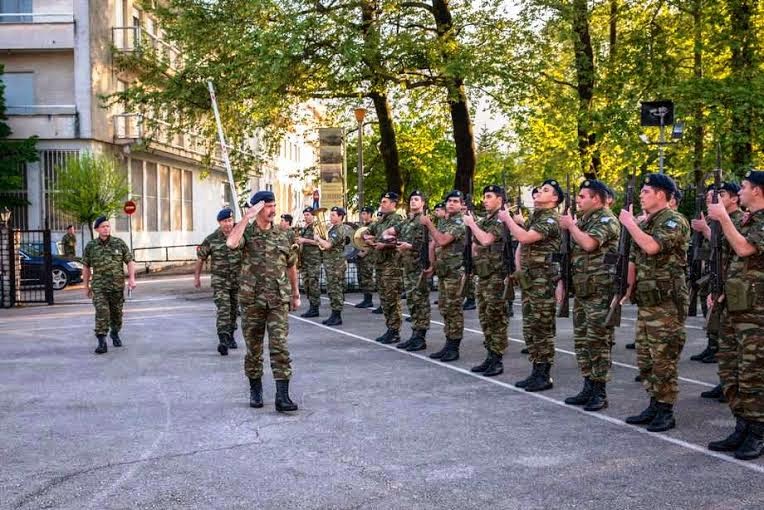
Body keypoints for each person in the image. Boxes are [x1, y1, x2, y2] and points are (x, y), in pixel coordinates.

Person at [619, 173, 689, 432]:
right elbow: (635, 260)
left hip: (667, 303)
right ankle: (654, 402)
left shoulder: (674, 220)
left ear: (661, 194)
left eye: (646, 191)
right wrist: (625, 289)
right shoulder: (648, 222)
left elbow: (651, 247)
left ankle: (665, 410)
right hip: (648, 302)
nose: (641, 195)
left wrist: (630, 224)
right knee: (646, 359)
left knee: (663, 359)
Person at [705, 170, 764, 460]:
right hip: (736, 305)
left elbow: (743, 249)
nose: (739, 191)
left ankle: (758, 431)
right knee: (731, 370)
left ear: (758, 191)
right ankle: (742, 424)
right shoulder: (747, 219)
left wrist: (723, 218)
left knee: (753, 373)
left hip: (756, 312)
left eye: (743, 187)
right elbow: (731, 261)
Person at [226, 191, 300, 412]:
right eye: (268, 206)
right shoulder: (246, 233)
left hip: (278, 299)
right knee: (254, 349)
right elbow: (230, 243)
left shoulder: (283, 235)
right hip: (252, 300)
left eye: (274, 205)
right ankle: (256, 390)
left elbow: (291, 265)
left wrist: (295, 293)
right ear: (258, 208)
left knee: (280, 346)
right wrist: (247, 217)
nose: (272, 210)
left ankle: (282, 396)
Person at [560, 179, 620, 410]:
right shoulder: (584, 220)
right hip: (583, 290)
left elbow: (588, 245)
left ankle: (600, 391)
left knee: (598, 342)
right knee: (582, 341)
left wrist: (572, 227)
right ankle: (588, 385)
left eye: (583, 196)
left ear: (597, 198)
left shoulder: (606, 220)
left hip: (600, 292)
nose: (578, 200)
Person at [500, 179, 562, 392]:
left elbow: (525, 238)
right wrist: (518, 268)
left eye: (546, 191)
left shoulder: (551, 218)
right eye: (538, 190)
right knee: (530, 327)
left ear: (555, 199)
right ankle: (536, 370)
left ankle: (544, 374)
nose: (538, 193)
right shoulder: (537, 217)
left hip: (542, 281)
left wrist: (508, 220)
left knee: (541, 327)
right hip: (531, 279)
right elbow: (522, 247)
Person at [691, 182, 743, 400]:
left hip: (738, 288)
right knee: (725, 341)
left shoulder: (739, 219)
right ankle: (726, 383)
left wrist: (706, 229)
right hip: (722, 283)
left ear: (734, 199)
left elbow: (735, 247)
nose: (714, 198)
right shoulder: (721, 219)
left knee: (738, 343)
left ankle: (735, 386)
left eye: (721, 194)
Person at [463, 185, 509, 376]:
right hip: (483, 274)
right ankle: (490, 355)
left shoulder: (501, 218)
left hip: (496, 276)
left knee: (496, 318)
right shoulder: (488, 219)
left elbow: (487, 240)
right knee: (485, 317)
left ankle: (497, 359)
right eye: (484, 196)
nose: (484, 199)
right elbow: (477, 244)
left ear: (499, 199)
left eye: (489, 196)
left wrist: (472, 224)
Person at [421, 190, 467, 362]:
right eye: (449, 201)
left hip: (455, 273)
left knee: (453, 310)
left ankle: (454, 347)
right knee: (445, 309)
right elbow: (435, 246)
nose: (451, 204)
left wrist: (429, 224)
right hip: (443, 272)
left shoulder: (459, 223)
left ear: (462, 204)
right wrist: (432, 266)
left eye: (456, 201)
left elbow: (441, 241)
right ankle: (448, 344)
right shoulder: (445, 222)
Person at [82, 216, 136, 354]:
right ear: (97, 229)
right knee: (102, 312)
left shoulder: (119, 243)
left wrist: (132, 279)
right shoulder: (91, 246)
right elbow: (86, 267)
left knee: (117, 314)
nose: (106, 228)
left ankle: (115, 333)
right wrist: (86, 286)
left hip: (117, 287)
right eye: (103, 226)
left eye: (108, 226)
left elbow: (129, 261)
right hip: (99, 287)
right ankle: (101, 342)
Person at [194, 207, 242, 356]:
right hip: (220, 281)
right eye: (224, 221)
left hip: (237, 281)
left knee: (234, 310)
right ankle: (223, 340)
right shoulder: (211, 239)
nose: (227, 224)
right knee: (223, 310)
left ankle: (231, 336)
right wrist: (197, 277)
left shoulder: (240, 236)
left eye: (229, 220)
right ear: (219, 223)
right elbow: (201, 258)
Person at [390, 190, 431, 351]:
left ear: (423, 203)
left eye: (416, 199)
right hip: (408, 266)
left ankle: (420, 337)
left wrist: (411, 246)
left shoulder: (425, 220)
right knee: (413, 302)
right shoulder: (408, 221)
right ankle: (415, 334)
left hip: (419, 266)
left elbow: (429, 243)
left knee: (420, 301)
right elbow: (392, 231)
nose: (413, 202)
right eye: (411, 199)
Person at [363, 192, 404, 343]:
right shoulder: (380, 220)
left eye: (385, 202)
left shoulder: (397, 220)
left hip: (391, 265)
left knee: (392, 298)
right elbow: (367, 231)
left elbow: (398, 240)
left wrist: (384, 244)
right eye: (382, 201)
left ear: (393, 204)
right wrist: (367, 238)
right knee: (384, 299)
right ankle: (389, 328)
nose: (382, 204)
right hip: (380, 264)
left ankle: (394, 330)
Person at [318, 206, 348, 326]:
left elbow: (328, 245)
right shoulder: (334, 229)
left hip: (336, 264)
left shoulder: (339, 230)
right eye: (331, 215)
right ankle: (334, 314)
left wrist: (318, 238)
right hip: (331, 263)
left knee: (335, 289)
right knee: (331, 289)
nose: (330, 217)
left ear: (340, 217)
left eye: (333, 215)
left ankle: (337, 316)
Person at [297, 207, 322, 318]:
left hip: (313, 260)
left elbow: (320, 243)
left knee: (313, 284)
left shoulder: (317, 227)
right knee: (307, 284)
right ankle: (311, 306)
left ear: (313, 215)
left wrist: (305, 240)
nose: (306, 217)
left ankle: (315, 308)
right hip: (305, 259)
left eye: (308, 214)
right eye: (305, 214)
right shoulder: (305, 227)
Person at [354, 206, 377, 309]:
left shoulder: (374, 226)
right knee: (362, 276)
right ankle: (365, 298)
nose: (362, 215)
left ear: (369, 214)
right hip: (361, 253)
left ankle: (369, 300)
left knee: (367, 276)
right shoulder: (362, 226)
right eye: (362, 213)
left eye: (364, 213)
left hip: (369, 254)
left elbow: (375, 241)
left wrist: (365, 252)